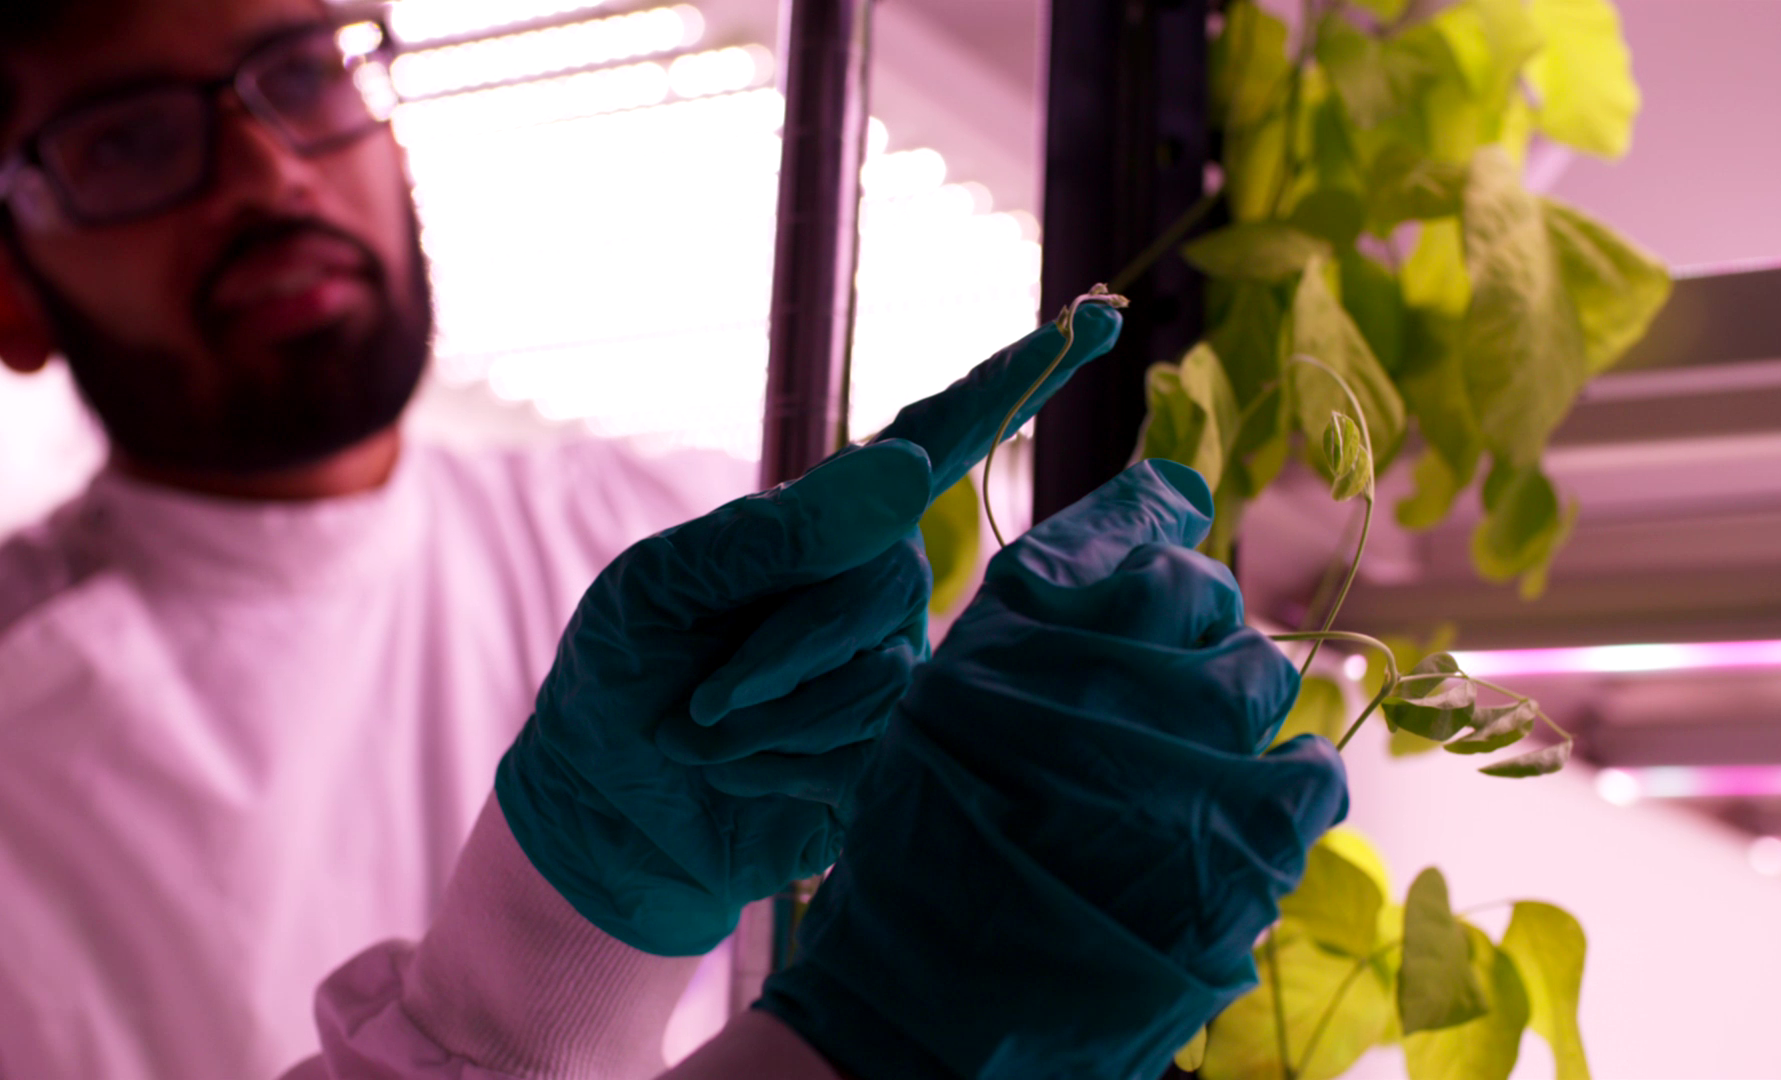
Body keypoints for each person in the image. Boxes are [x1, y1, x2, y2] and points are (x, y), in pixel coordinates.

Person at [0, 0, 1351, 1076]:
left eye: (299, 71)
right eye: (126, 138)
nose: (263, 165)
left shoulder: (658, 543)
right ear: (12, 293)